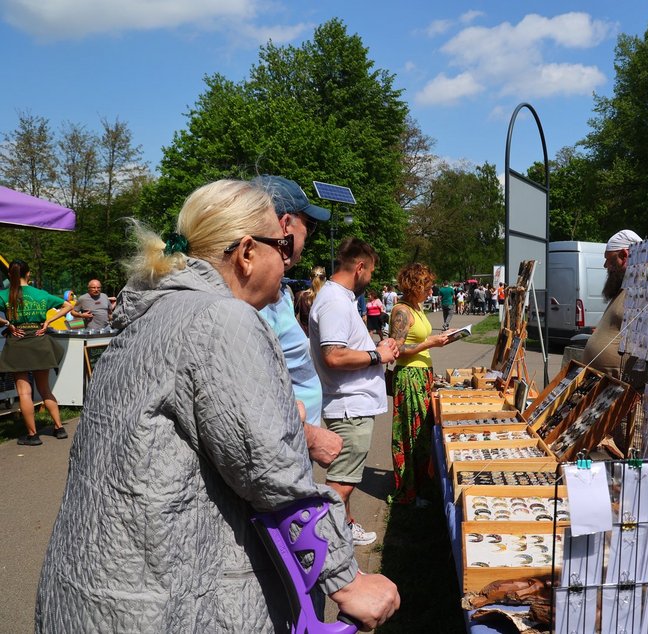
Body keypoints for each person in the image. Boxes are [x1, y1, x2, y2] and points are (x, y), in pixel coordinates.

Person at [35, 179, 399, 632]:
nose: (288, 263)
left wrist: (289, 422)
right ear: (247, 252)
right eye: (281, 247)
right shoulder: (221, 318)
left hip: (91, 591)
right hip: (156, 605)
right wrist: (346, 581)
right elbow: (272, 473)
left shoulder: (153, 312)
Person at [310, 237, 400, 546]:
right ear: (359, 267)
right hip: (350, 407)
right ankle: (322, 541)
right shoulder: (335, 300)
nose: (370, 279)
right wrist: (378, 356)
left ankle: (343, 527)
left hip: (351, 404)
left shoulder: (340, 298)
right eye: (371, 272)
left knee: (343, 477)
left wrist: (377, 349)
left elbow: (344, 349)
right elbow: (333, 356)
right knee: (341, 483)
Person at [253, 175, 342, 472]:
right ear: (286, 225)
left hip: (291, 446)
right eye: (310, 226)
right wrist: (309, 436)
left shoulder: (277, 293)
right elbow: (248, 398)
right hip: (280, 452)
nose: (309, 237)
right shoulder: (253, 297)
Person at [387, 263, 450, 506]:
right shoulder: (401, 311)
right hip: (409, 377)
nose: (431, 291)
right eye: (427, 286)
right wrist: (430, 343)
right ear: (415, 286)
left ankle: (421, 486)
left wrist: (445, 337)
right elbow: (397, 350)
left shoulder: (416, 307)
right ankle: (409, 492)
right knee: (410, 435)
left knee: (421, 435)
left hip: (422, 375)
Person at [0, 260, 74, 445]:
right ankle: (59, 428)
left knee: (24, 392)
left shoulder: (4, 294)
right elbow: (69, 306)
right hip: (39, 341)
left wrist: (8, 324)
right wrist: (48, 322)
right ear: (29, 274)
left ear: (10, 275)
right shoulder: (41, 294)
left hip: (17, 341)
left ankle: (33, 435)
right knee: (44, 388)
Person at [581, 229, 643, 378]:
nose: (605, 265)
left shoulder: (644, 289)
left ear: (624, 255)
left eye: (609, 259)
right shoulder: (623, 286)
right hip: (601, 383)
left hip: (620, 385)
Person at [295, 265, 327, 336]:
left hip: (305, 338)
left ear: (310, 278)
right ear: (324, 279)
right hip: (324, 338)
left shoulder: (300, 296)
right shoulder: (329, 297)